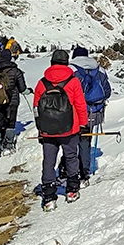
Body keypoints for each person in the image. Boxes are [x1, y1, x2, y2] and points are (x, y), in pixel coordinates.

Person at [33, 49, 87, 211]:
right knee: (71, 157)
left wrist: (40, 127)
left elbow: (36, 107)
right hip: (69, 128)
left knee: (49, 161)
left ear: (51, 63)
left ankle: (49, 196)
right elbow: (80, 105)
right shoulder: (73, 81)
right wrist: (82, 124)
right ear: (66, 63)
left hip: (47, 130)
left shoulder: (42, 83)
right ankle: (71, 190)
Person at [70, 46, 112, 181]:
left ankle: (71, 170)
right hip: (95, 112)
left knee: (70, 141)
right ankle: (84, 172)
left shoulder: (72, 70)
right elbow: (107, 92)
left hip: (75, 111)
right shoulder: (99, 70)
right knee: (85, 141)